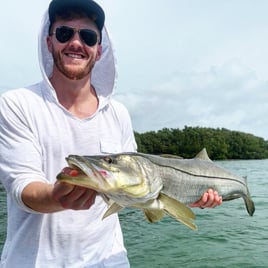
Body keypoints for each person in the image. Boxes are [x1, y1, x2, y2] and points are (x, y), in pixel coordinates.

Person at [0, 0, 222, 267]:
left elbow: (140, 192)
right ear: (49, 43)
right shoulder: (16, 104)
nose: (76, 42)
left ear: (99, 49)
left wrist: (184, 196)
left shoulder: (119, 114)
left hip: (110, 260)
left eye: (88, 36)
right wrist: (56, 197)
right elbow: (21, 188)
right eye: (64, 33)